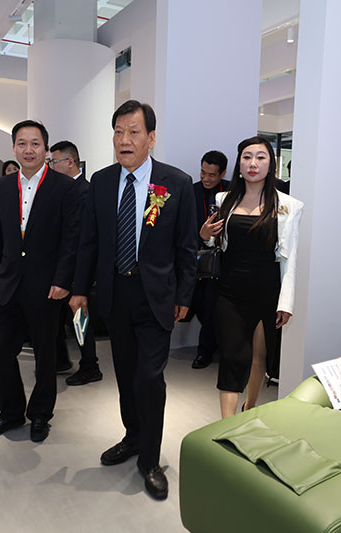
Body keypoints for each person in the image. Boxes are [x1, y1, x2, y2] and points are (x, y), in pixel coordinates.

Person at [69, 100, 197, 500]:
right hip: (114, 294)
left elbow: (187, 246)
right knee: (125, 374)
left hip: (156, 296)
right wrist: (79, 290)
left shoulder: (175, 183)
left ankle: (150, 460)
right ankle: (132, 436)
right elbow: (88, 241)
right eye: (118, 132)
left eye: (134, 132)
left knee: (149, 378)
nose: (124, 140)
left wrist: (185, 295)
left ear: (151, 138)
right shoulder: (102, 182)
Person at [0, 120, 79, 443]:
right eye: (22, 143)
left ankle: (40, 414)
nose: (28, 150)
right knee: (1, 353)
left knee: (45, 356)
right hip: (7, 284)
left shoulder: (64, 187)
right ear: (14, 148)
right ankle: (9, 412)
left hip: (46, 287)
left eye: (35, 143)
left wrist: (63, 280)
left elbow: (70, 240)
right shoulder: (3, 186)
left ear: (46, 149)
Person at [199, 136, 303, 419]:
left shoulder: (288, 205)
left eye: (260, 157)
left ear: (271, 165)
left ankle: (250, 408)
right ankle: (227, 424)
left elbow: (290, 258)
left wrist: (286, 303)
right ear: (239, 164)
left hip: (266, 291)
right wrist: (205, 235)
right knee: (232, 356)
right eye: (247, 157)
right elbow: (216, 243)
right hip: (229, 291)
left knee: (259, 357)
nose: (253, 163)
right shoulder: (224, 199)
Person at [49, 140, 102, 385]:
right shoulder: (66, 190)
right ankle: (62, 359)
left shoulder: (84, 191)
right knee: (62, 315)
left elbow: (82, 237)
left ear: (70, 162)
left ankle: (90, 365)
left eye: (54, 162)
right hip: (64, 265)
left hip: (79, 267)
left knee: (79, 316)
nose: (51, 167)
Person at [189, 150, 230, 369]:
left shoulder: (231, 192)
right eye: (203, 172)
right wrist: (201, 236)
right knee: (196, 303)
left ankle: (204, 351)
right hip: (195, 257)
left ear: (222, 173)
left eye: (212, 175)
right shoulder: (191, 191)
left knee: (211, 304)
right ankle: (212, 343)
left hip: (221, 260)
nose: (206, 178)